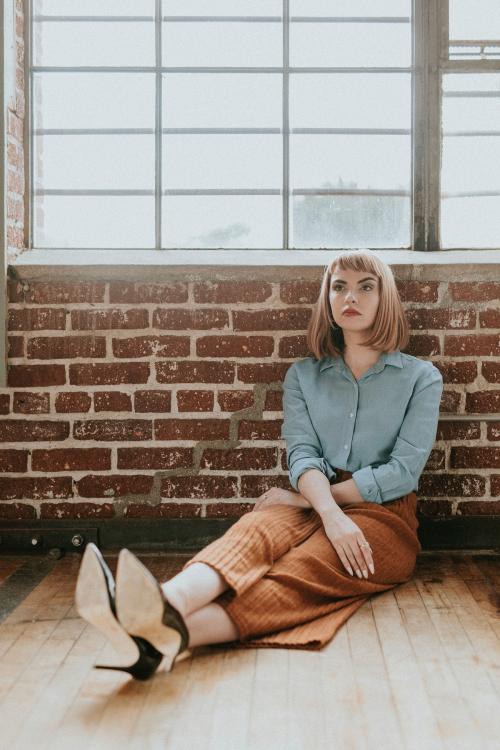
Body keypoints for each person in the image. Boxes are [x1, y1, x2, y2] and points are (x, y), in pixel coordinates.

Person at [75, 249, 444, 681]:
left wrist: (308, 503)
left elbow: (402, 472)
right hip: (314, 495)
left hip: (385, 516)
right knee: (255, 530)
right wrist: (322, 509)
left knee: (302, 568)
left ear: (386, 300)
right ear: (326, 299)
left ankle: (162, 635)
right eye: (339, 286)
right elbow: (302, 454)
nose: (351, 297)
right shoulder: (304, 376)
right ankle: (165, 601)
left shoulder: (421, 377)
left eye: (366, 287)